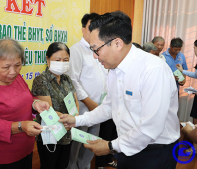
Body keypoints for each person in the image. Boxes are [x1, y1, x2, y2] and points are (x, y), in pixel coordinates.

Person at [59, 11, 180, 169]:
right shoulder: (114, 70)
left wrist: (109, 146)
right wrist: (77, 120)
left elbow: (150, 128)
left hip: (154, 153)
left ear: (117, 43)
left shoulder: (152, 70)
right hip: (126, 148)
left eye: (96, 49)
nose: (95, 56)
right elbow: (109, 107)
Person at [0, 38, 50, 169]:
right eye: (6, 67)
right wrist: (21, 126)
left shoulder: (16, 78)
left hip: (26, 147)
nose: (13, 72)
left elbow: (27, 96)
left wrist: (35, 103)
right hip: (3, 155)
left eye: (18, 65)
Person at [66, 13, 117, 169]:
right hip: (82, 109)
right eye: (91, 28)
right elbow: (72, 80)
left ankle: (85, 166)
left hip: (99, 108)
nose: (96, 31)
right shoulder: (76, 50)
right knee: (75, 146)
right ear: (83, 30)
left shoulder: (100, 50)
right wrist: (89, 103)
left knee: (91, 144)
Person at [31, 42, 79, 169]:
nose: (62, 63)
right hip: (50, 135)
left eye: (65, 60)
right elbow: (48, 111)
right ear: (48, 59)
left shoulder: (67, 79)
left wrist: (75, 117)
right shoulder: (41, 81)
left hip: (67, 132)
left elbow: (75, 102)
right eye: (58, 60)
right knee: (49, 165)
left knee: (63, 165)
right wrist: (70, 120)